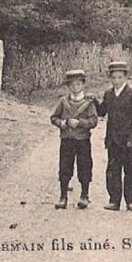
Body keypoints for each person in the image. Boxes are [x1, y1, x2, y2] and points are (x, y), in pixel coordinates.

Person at [96, 60, 132, 211]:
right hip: (113, 140)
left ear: (125, 77)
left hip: (128, 141)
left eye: (119, 77)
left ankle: (131, 201)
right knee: (113, 170)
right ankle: (114, 200)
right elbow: (102, 112)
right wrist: (93, 102)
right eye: (113, 77)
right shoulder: (108, 94)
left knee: (129, 171)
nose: (116, 81)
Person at [49, 69, 99, 210]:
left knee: (84, 166)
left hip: (83, 140)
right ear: (68, 86)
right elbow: (54, 117)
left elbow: (94, 121)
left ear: (83, 85)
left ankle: (84, 195)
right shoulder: (63, 101)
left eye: (78, 84)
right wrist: (62, 123)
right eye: (72, 85)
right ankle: (63, 196)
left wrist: (80, 123)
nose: (75, 88)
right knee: (65, 167)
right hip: (67, 139)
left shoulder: (88, 102)